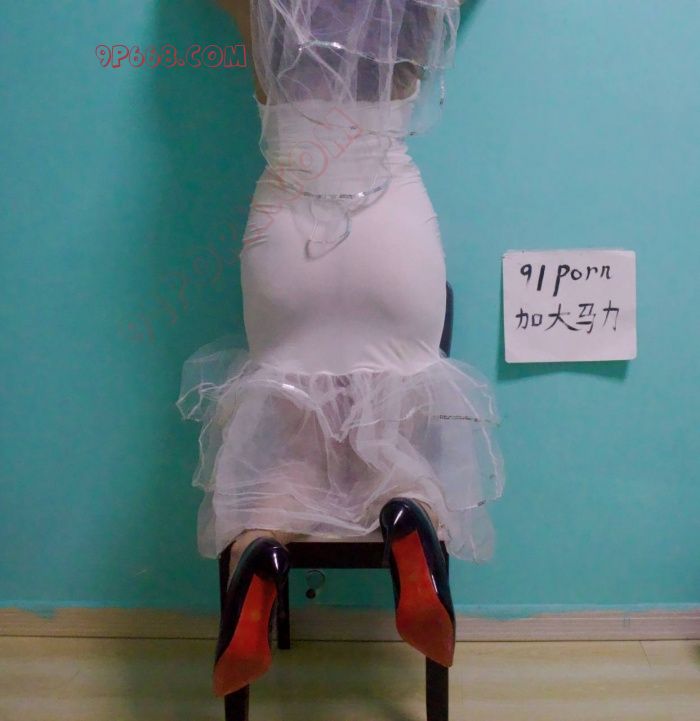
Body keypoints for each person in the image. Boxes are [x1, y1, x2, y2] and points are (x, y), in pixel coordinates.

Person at [177, 0, 504, 696]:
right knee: (404, 410)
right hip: (394, 232)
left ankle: (260, 551)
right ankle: (408, 517)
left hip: (286, 237)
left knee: (282, 422)